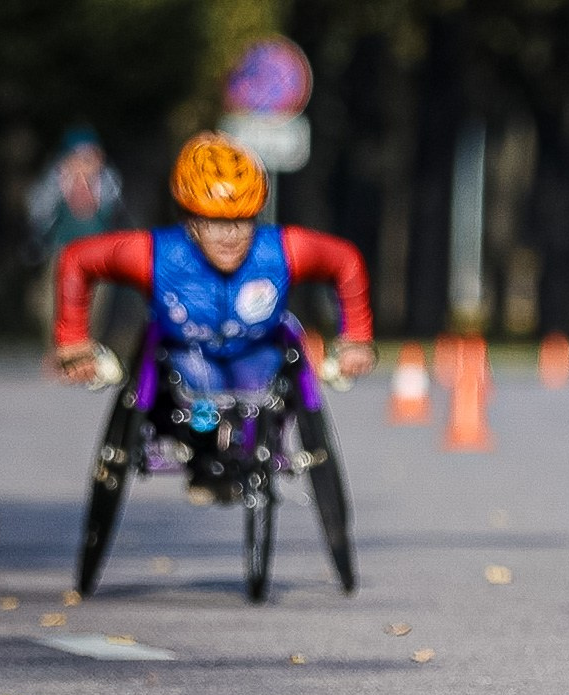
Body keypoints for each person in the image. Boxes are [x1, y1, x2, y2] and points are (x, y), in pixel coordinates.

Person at [55, 132, 375, 497]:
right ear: (189, 220)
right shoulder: (153, 253)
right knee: (173, 382)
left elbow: (345, 261)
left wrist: (356, 340)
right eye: (214, 222)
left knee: (281, 364)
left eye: (242, 221)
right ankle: (200, 452)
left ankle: (246, 447)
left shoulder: (283, 250)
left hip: (258, 357)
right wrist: (73, 341)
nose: (231, 236)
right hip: (184, 362)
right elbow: (76, 261)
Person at [27, 127, 127, 347]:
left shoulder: (107, 182)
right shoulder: (56, 181)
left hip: (97, 252)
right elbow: (38, 212)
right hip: (62, 249)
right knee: (53, 301)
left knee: (96, 302)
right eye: (79, 157)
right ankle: (55, 348)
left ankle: (85, 347)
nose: (85, 163)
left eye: (90, 157)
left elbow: (116, 212)